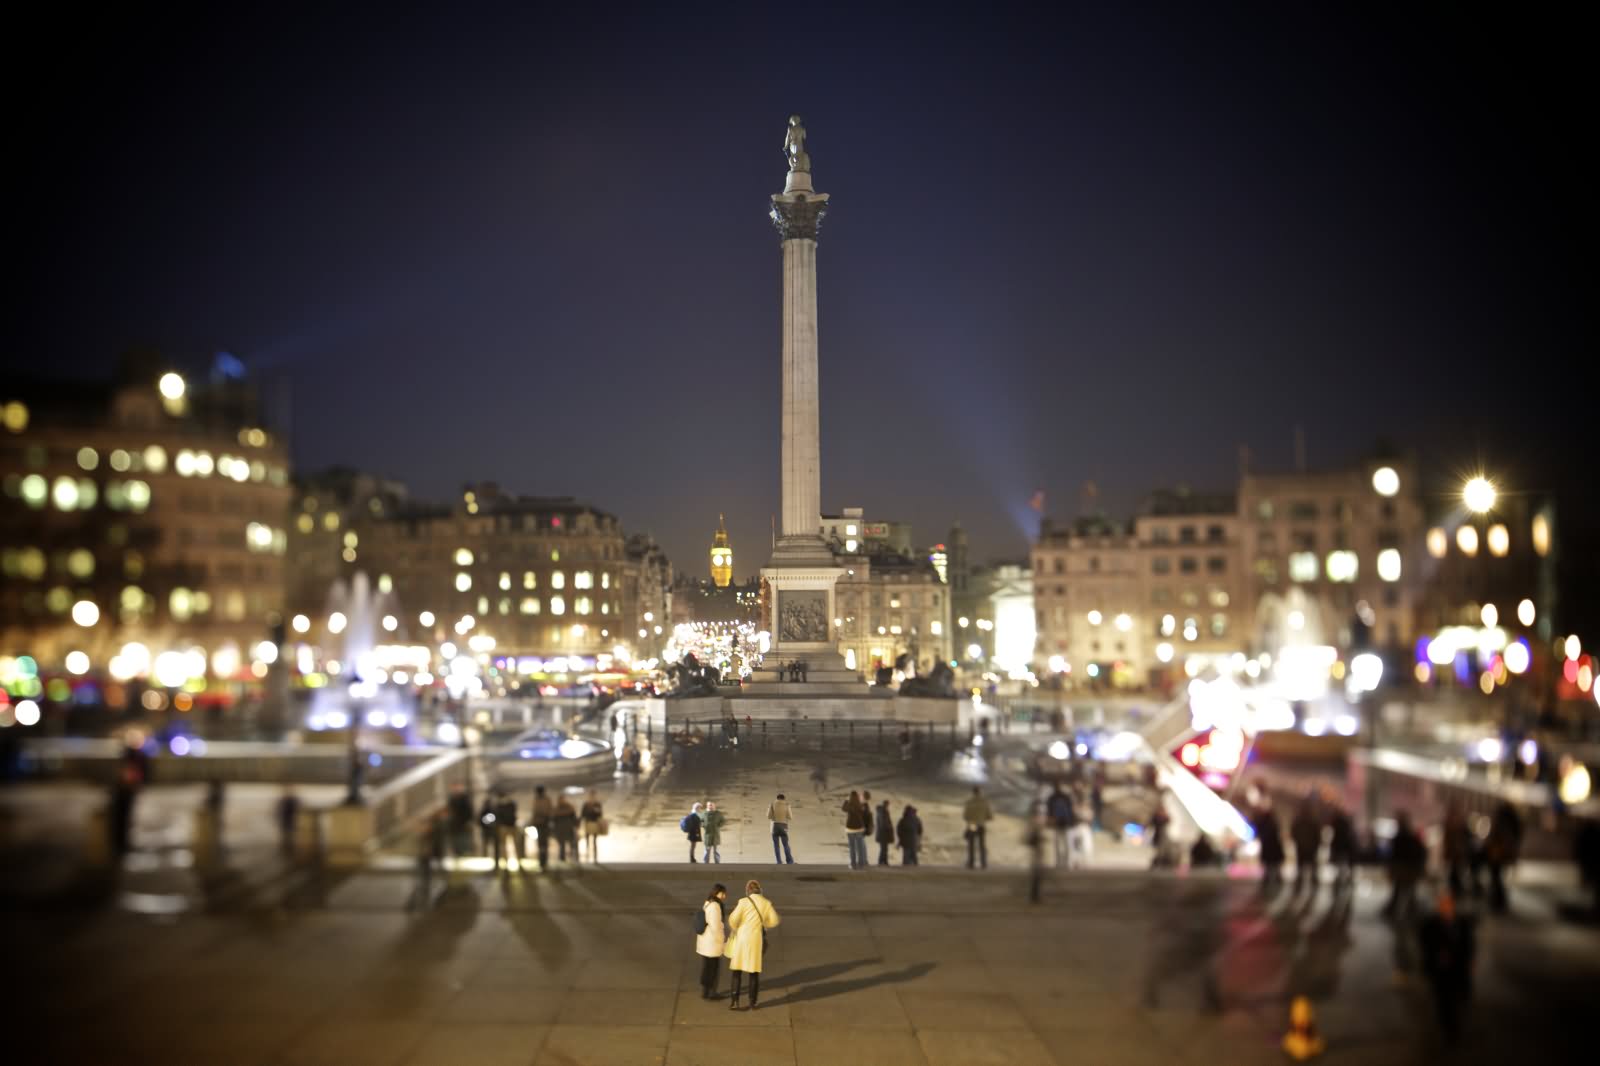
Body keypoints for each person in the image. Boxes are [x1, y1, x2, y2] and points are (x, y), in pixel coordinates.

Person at [1417, 889, 1475, 1043]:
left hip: (1458, 969)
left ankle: (1454, 1026)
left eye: (1448, 904)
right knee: (1444, 1001)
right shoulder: (1429, 925)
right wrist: (1437, 955)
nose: (1445, 907)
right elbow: (1425, 945)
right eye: (1442, 905)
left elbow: (1469, 945)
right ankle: (1450, 1030)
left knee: (1458, 999)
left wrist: (1469, 962)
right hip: (1440, 971)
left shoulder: (1463, 924)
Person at [724, 879, 781, 1010]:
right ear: (760, 890)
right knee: (753, 972)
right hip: (756, 939)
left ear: (748, 890)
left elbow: (733, 919)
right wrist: (764, 924)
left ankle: (734, 1001)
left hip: (742, 938)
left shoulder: (743, 902)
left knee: (737, 971)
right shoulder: (766, 903)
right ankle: (752, 1002)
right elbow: (774, 920)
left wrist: (736, 927)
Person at [1384, 811, 1426, 921]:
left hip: (1404, 869)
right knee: (1407, 891)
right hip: (1409, 869)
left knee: (1400, 891)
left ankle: (1398, 911)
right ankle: (1411, 911)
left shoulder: (1401, 837)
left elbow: (1395, 855)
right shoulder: (1410, 836)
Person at [1484, 800, 1522, 913]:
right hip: (1503, 854)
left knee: (1496, 877)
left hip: (1498, 854)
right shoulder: (1512, 822)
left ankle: (1498, 901)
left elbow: (1495, 837)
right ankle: (1499, 900)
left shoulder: (1502, 822)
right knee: (1498, 877)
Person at [696, 883, 729, 999]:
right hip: (712, 943)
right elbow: (716, 927)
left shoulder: (708, 903)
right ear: (717, 892)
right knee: (713, 969)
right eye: (723, 893)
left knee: (707, 967)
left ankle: (705, 992)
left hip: (705, 942)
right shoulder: (715, 906)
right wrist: (722, 942)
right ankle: (711, 993)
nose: (724, 896)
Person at [1441, 800, 1478, 898]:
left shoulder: (1456, 825)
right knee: (1454, 874)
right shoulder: (1453, 825)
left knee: (1455, 874)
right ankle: (1456, 893)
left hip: (1457, 854)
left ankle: (1457, 893)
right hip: (1455, 853)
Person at [1290, 799, 1322, 896]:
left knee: (1303, 870)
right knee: (1309, 870)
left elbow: (1293, 833)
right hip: (1309, 849)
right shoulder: (1312, 821)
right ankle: (1311, 888)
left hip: (1303, 849)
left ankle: (1300, 888)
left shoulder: (1299, 821)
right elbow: (1318, 835)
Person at [1255, 802, 1285, 893]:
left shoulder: (1263, 822)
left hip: (1268, 847)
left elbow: (1258, 832)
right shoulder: (1273, 822)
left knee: (1268, 867)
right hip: (1273, 847)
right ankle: (1276, 882)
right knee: (1274, 867)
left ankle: (1268, 882)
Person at [1327, 804, 1357, 890]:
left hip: (1340, 849)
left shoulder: (1336, 823)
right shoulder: (1344, 823)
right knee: (1342, 870)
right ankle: (1343, 885)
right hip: (1343, 849)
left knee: (1340, 870)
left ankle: (1340, 885)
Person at [963, 786, 993, 869]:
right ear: (980, 792)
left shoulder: (969, 802)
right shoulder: (985, 802)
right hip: (981, 824)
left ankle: (971, 863)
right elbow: (990, 816)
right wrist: (982, 818)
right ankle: (983, 863)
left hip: (972, 825)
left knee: (971, 844)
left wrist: (971, 820)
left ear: (973, 792)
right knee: (982, 844)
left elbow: (965, 816)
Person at [1046, 784, 1075, 867]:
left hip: (1063, 823)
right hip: (1061, 823)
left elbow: (1070, 810)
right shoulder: (1054, 798)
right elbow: (1050, 811)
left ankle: (1064, 862)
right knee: (1061, 844)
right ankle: (1063, 862)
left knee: (1063, 844)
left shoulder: (1057, 797)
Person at [446, 784, 474, 866]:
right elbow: (450, 810)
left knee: (463, 838)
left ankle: (464, 853)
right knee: (456, 839)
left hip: (463, 822)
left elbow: (469, 810)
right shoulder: (452, 799)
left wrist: (468, 821)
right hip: (454, 823)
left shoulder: (465, 799)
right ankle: (457, 853)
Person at [494, 789, 521, 873]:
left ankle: (510, 863)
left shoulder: (500, 805)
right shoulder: (509, 804)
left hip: (506, 826)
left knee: (507, 846)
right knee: (509, 845)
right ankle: (509, 863)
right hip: (507, 826)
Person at [1027, 808, 1049, 903]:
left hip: (1038, 851)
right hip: (1037, 851)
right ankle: (1035, 896)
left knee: (1038, 874)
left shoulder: (1034, 823)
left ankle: (1035, 896)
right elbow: (1031, 837)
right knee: (1037, 874)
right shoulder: (1034, 823)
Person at [841, 790, 868, 869]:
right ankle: (861, 864)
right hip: (859, 828)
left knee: (852, 847)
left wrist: (846, 800)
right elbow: (865, 811)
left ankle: (853, 864)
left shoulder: (849, 805)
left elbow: (843, 808)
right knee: (860, 847)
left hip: (850, 828)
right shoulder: (860, 804)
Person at [530, 786, 553, 871]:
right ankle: (542, 861)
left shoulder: (543, 800)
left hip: (543, 823)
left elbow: (547, 811)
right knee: (542, 843)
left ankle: (543, 861)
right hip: (541, 824)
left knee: (543, 843)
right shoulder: (542, 800)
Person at [768, 793, 795, 863]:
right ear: (784, 799)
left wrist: (775, 816)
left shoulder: (772, 804)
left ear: (777, 798)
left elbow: (769, 816)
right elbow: (790, 817)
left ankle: (779, 861)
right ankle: (789, 861)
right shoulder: (787, 805)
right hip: (784, 826)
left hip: (775, 826)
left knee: (776, 845)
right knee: (786, 844)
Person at [552, 793, 578, 863]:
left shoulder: (557, 809)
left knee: (565, 843)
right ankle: (566, 857)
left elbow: (553, 819)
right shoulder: (569, 808)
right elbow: (574, 818)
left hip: (564, 828)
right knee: (565, 844)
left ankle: (564, 857)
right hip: (565, 827)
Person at [580, 790, 604, 863]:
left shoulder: (598, 804)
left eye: (593, 796)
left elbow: (600, 814)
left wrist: (597, 811)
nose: (592, 797)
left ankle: (595, 857)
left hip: (595, 824)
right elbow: (582, 814)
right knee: (587, 840)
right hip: (588, 823)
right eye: (591, 796)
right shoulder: (586, 804)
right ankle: (587, 854)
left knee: (594, 840)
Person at [276, 787, 300, 858]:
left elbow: (298, 810)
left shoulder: (293, 800)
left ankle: (290, 850)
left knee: (291, 836)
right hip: (286, 821)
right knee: (286, 836)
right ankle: (286, 850)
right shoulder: (284, 800)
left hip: (291, 821)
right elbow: (279, 811)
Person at [874, 797, 895, 865]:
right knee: (884, 848)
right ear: (886, 804)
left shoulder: (881, 812)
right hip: (883, 833)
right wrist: (889, 827)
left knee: (884, 848)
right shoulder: (883, 812)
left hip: (882, 833)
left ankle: (883, 861)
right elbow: (884, 823)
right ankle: (882, 861)